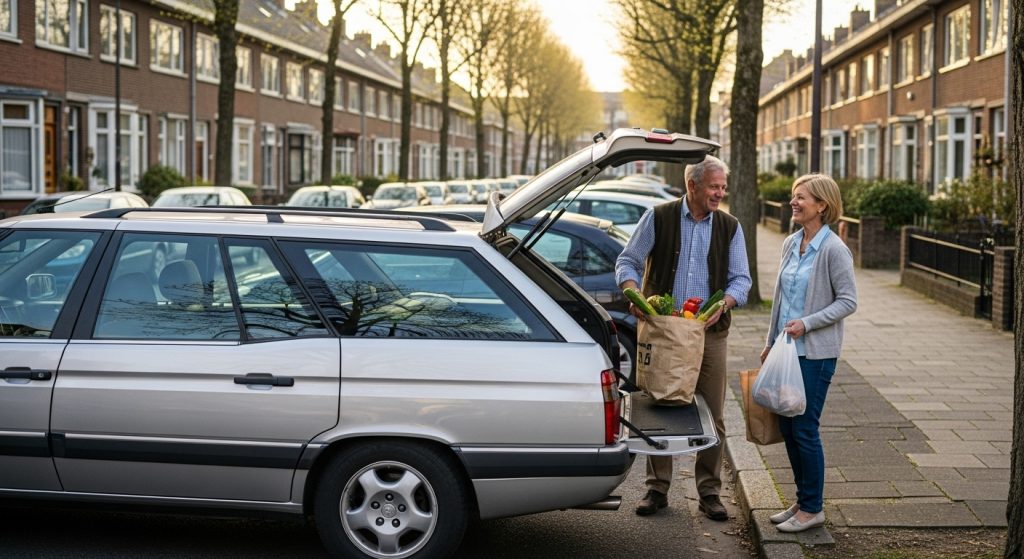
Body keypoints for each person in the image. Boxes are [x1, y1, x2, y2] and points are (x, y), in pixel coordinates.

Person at [615, 155, 752, 520]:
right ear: (692, 185)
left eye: (722, 187)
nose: (720, 193)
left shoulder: (729, 226)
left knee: (713, 414)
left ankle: (709, 491)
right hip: (663, 332)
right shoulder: (658, 217)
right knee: (660, 406)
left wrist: (724, 304)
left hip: (710, 333)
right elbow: (627, 261)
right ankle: (656, 489)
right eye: (714, 187)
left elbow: (742, 279)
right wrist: (632, 292)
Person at [761, 174, 857, 533]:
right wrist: (770, 341)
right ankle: (803, 500)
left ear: (822, 205)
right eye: (793, 196)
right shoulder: (791, 243)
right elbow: (781, 298)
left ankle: (813, 508)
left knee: (804, 428)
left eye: (801, 197)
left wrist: (808, 323)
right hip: (786, 351)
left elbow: (848, 301)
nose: (793, 202)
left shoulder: (834, 250)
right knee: (787, 426)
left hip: (815, 354)